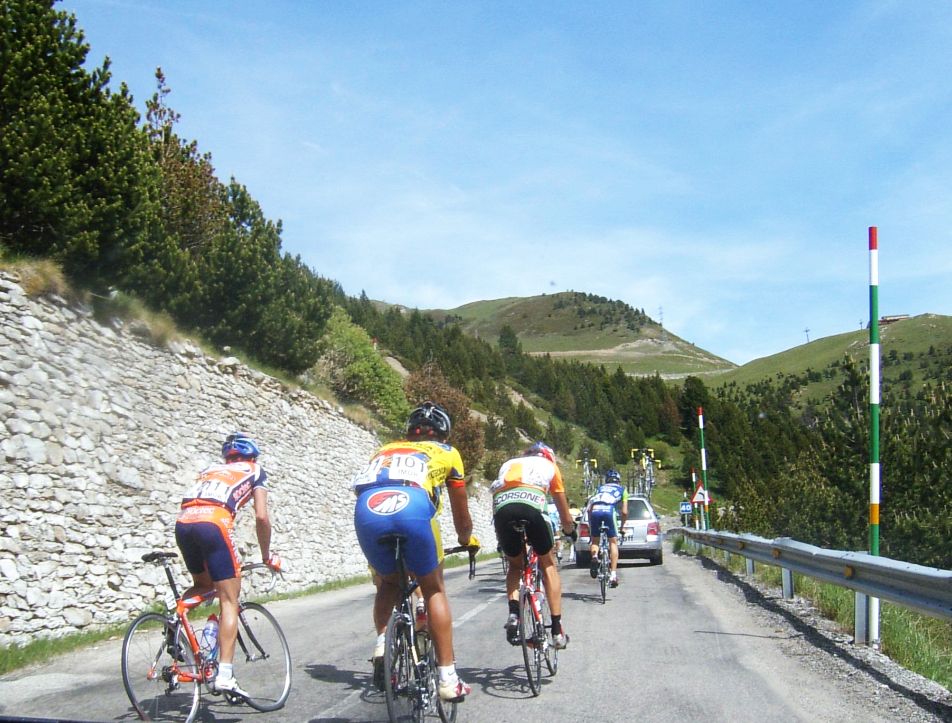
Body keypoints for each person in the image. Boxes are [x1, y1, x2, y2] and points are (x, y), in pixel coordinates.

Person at [352, 401, 479, 703]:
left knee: (388, 583)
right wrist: (466, 538)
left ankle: (383, 643)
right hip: (413, 505)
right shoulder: (448, 452)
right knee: (433, 588)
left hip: (367, 509)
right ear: (444, 433)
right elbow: (460, 511)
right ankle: (447, 678)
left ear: (410, 432)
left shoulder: (383, 450)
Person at [174, 432, 280, 697]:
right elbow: (261, 517)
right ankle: (225, 675)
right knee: (229, 600)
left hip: (184, 523)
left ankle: (173, 619)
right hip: (215, 523)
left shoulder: (210, 470)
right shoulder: (255, 471)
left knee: (204, 585)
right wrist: (266, 556)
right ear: (252, 457)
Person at [491, 442, 577, 649]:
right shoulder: (550, 466)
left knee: (515, 566)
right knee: (548, 564)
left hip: (502, 508)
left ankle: (514, 614)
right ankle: (556, 629)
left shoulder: (508, 464)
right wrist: (569, 530)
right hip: (531, 506)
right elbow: (563, 510)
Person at [586, 468, 628, 588]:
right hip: (609, 510)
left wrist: (590, 526)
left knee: (595, 541)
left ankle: (595, 557)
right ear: (618, 480)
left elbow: (589, 508)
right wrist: (623, 527)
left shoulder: (600, 488)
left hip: (595, 510)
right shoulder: (623, 490)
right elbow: (624, 512)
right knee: (613, 542)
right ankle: (613, 575)